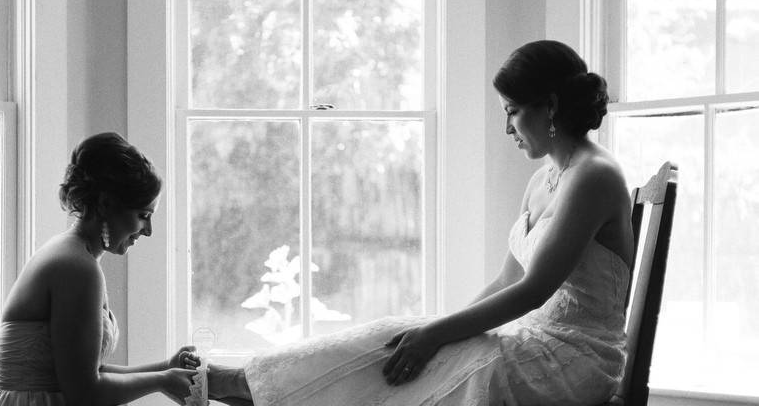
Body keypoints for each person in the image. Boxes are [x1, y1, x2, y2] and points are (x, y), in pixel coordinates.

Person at [205, 40, 634, 406]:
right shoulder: (545, 179)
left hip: (575, 360)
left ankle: (248, 388)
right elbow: (507, 277)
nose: (507, 128)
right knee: (401, 334)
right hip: (533, 340)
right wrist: (436, 331)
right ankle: (253, 383)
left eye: (513, 110)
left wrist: (436, 335)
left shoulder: (593, 176)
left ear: (552, 106)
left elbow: (534, 290)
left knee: (421, 348)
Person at [0, 132, 201, 406]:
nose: (148, 231)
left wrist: (163, 368)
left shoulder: (76, 257)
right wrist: (161, 381)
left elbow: (86, 371)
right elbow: (85, 393)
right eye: (143, 215)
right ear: (107, 204)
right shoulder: (76, 268)